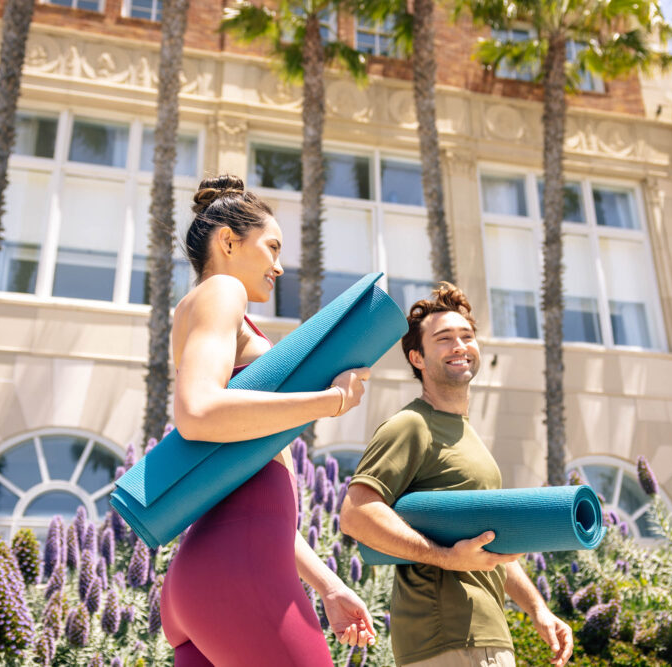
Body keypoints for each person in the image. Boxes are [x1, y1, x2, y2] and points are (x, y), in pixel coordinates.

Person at [160, 174, 376, 666]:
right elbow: (196, 413)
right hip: (241, 568)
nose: (279, 266)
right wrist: (329, 401)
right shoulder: (221, 292)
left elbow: (251, 492)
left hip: (207, 576)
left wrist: (330, 585)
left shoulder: (204, 309)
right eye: (272, 247)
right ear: (229, 241)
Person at [340, 283, 573, 667]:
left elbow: (489, 544)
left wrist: (537, 609)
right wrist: (446, 558)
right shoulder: (411, 425)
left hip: (485, 636)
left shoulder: (468, 437)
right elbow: (356, 513)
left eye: (467, 336)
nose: (460, 346)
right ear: (417, 358)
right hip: (446, 639)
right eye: (444, 339)